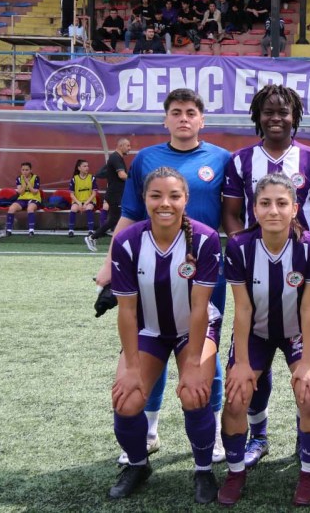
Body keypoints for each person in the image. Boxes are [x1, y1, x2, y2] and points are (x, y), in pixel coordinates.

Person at [96, 89, 231, 467]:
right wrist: (109, 263)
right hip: (152, 268)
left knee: (204, 348)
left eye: (190, 112)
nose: (183, 118)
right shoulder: (146, 159)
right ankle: (150, 430)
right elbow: (130, 212)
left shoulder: (222, 159)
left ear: (202, 119)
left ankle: (212, 432)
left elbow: (232, 213)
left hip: (205, 268)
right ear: (166, 119)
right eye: (176, 112)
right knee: (151, 339)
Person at [221, 84, 310, 469]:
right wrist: (247, 250)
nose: (275, 118)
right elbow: (231, 213)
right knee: (256, 353)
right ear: (257, 115)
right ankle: (259, 435)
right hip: (255, 272)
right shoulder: (240, 161)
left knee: (305, 366)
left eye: (283, 112)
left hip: (300, 273)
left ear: (295, 116)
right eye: (268, 111)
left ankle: (307, 439)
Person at [107, 167, 222, 503]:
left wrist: (194, 365)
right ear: (144, 199)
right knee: (126, 400)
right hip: (149, 329)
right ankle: (138, 465)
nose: (165, 203)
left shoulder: (205, 239)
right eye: (156, 196)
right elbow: (127, 311)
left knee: (194, 393)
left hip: (193, 329)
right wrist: (131, 367)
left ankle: (203, 470)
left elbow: (199, 308)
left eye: (174, 196)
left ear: (186, 199)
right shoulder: (127, 241)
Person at [218, 174, 310, 506]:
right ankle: (235, 472)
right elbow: (242, 308)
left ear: (295, 208)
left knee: (309, 395)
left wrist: (308, 363)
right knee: (236, 397)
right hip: (256, 332)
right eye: (265, 203)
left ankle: (309, 473)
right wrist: (240, 363)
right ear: (254, 209)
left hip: (298, 331)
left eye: (282, 203)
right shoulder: (239, 246)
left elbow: (309, 308)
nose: (273, 210)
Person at [86, 137, 131, 251]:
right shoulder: (116, 157)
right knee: (115, 219)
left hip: (118, 194)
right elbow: (122, 175)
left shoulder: (117, 158)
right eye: (128, 145)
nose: (129, 148)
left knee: (120, 218)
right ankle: (92, 237)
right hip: (115, 194)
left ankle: (118, 242)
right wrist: (134, 180)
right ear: (120, 146)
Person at [4, 162, 42, 237]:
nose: (24, 172)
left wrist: (27, 182)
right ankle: (8, 230)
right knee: (11, 208)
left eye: (27, 170)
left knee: (30, 209)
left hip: (34, 198)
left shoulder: (36, 178)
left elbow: (34, 192)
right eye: (23, 170)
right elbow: (20, 192)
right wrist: (24, 183)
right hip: (22, 198)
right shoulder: (19, 178)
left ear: (30, 170)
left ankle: (31, 231)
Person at [67, 159, 97, 237]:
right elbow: (71, 195)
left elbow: (94, 193)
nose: (87, 168)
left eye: (87, 166)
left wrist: (86, 203)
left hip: (89, 201)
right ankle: (71, 230)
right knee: (73, 208)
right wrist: (79, 203)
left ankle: (91, 230)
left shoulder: (92, 178)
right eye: (84, 166)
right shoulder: (74, 179)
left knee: (88, 208)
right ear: (79, 168)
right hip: (78, 201)